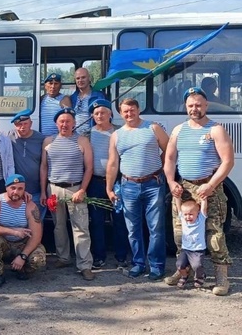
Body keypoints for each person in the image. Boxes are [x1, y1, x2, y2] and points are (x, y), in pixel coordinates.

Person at [164, 87, 234, 296]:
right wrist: (170, 181)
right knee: (180, 233)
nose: (195, 109)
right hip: (184, 189)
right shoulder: (178, 130)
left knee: (214, 234)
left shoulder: (216, 130)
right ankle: (182, 270)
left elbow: (228, 162)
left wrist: (210, 185)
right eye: (191, 105)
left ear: (206, 106)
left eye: (198, 105)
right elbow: (169, 159)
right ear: (186, 107)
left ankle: (222, 279)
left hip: (208, 189)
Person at [106, 98, 169, 280]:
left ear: (138, 109)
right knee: (132, 228)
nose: (129, 113)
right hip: (128, 185)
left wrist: (162, 170)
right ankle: (138, 263)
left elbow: (169, 150)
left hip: (153, 184)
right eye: (125, 111)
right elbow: (112, 164)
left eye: (132, 110)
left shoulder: (153, 128)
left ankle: (157, 266)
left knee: (156, 227)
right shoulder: (116, 135)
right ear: (120, 113)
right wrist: (109, 189)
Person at [39, 108, 95, 280]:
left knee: (80, 228)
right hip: (53, 189)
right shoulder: (48, 141)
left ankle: (84, 265)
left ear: (74, 123)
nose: (64, 124)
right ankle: (63, 257)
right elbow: (43, 167)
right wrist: (43, 191)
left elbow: (89, 168)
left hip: (75, 189)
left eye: (68, 121)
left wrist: (82, 190)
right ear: (56, 124)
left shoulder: (82, 141)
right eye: (61, 121)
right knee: (58, 226)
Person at [86, 99, 128, 269]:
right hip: (95, 182)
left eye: (103, 112)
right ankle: (99, 256)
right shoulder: (87, 134)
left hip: (117, 182)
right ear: (92, 116)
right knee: (96, 222)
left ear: (110, 114)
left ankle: (121, 257)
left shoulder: (120, 132)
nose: (99, 116)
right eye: (96, 113)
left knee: (119, 220)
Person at [0, 174, 46, 288]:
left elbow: (37, 235)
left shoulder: (30, 206)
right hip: (4, 241)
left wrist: (23, 256)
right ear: (6, 187)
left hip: (22, 243)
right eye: (12, 188)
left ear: (24, 189)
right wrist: (14, 232)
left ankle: (22, 270)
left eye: (20, 189)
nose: (16, 192)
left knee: (39, 259)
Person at [6, 109, 46, 219]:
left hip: (36, 192)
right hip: (17, 193)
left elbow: (44, 166)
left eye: (25, 124)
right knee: (18, 223)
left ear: (31, 124)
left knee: (37, 224)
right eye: (19, 124)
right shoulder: (9, 136)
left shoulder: (41, 139)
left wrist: (43, 192)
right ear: (15, 125)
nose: (22, 127)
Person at [173, 197, 207, 289]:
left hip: (198, 249)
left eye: (191, 214)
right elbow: (179, 207)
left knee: (197, 265)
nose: (188, 217)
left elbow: (204, 209)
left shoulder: (201, 219)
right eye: (186, 214)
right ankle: (184, 276)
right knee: (179, 265)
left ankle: (200, 277)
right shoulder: (183, 219)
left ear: (198, 213)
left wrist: (204, 199)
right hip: (186, 249)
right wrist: (177, 197)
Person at [70, 68, 105, 136]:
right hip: (74, 136)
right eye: (78, 78)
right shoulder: (72, 98)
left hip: (93, 135)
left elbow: (108, 116)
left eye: (83, 77)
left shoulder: (99, 96)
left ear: (89, 79)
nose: (80, 80)